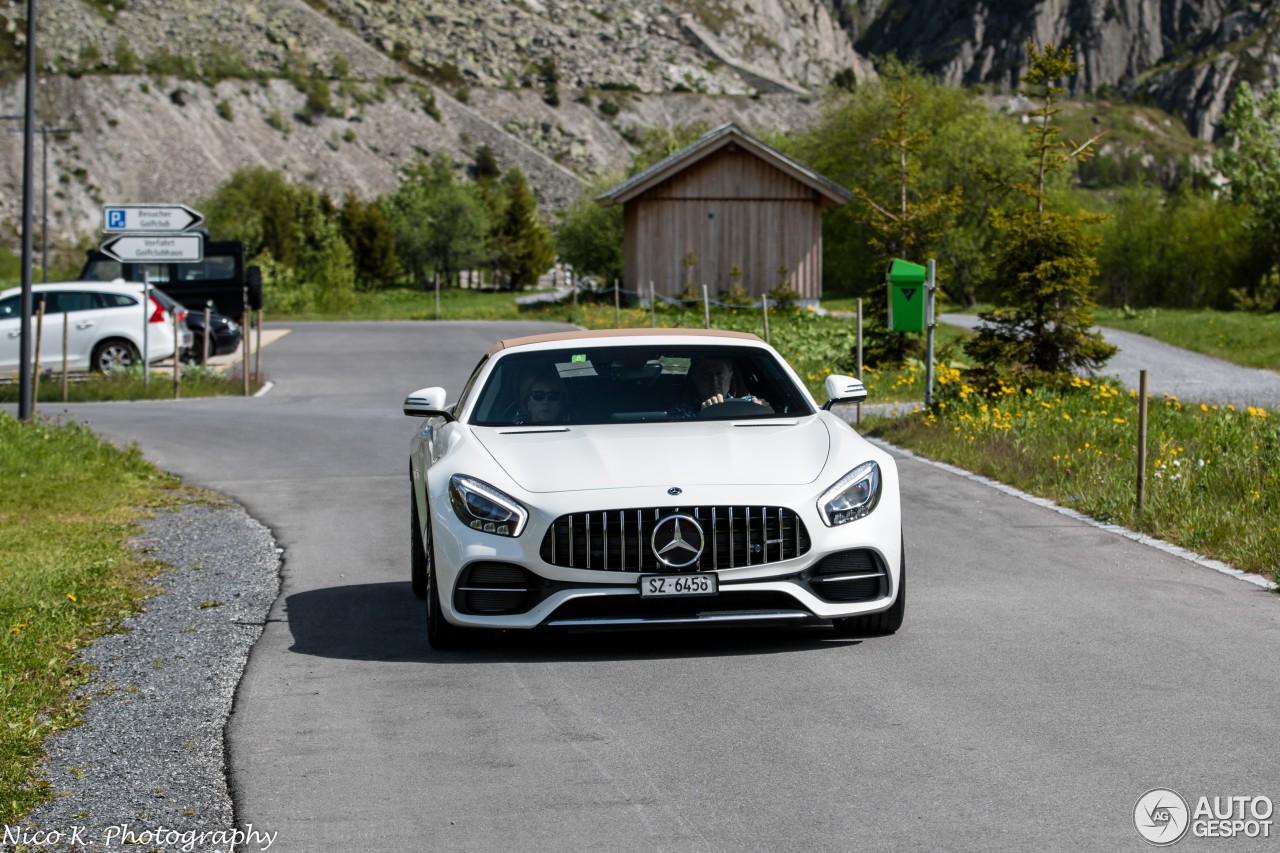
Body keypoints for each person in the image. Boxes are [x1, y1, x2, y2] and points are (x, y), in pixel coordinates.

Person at [678, 356, 770, 415]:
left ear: (730, 376)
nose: (714, 381)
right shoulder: (681, 411)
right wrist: (704, 415)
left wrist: (764, 411)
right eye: (705, 375)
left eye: (719, 374)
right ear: (696, 378)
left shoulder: (747, 404)